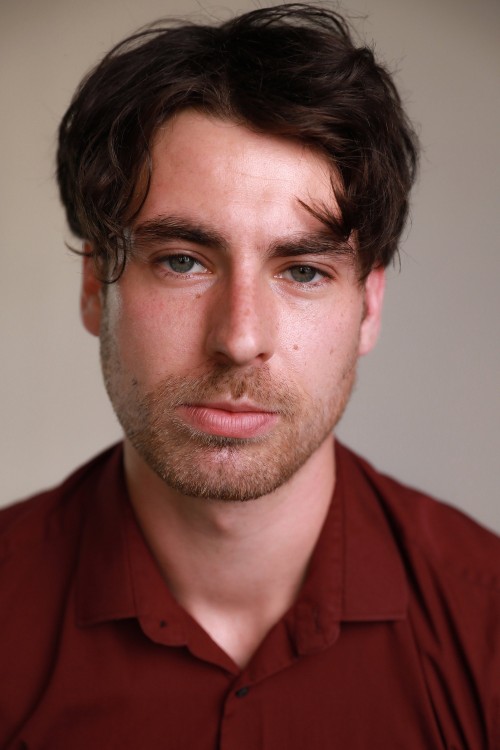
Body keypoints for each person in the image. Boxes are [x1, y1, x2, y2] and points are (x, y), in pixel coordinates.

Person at [1, 4, 499, 748]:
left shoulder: (486, 631)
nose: (239, 339)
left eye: (303, 270)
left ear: (368, 307)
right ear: (93, 288)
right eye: (182, 261)